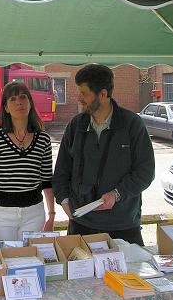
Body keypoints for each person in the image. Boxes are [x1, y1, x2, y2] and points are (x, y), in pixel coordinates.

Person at [52, 64, 154, 246]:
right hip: (81, 224)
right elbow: (61, 171)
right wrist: (64, 200)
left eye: (84, 93)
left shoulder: (132, 125)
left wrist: (117, 194)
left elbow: (145, 172)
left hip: (123, 225)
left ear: (103, 94)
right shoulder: (75, 126)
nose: (79, 98)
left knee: (126, 274)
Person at [0, 81, 55, 242]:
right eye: (12, 99)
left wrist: (52, 214)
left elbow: (47, 181)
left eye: (23, 97)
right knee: (7, 260)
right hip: (1, 215)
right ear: (6, 107)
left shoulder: (43, 139)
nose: (19, 102)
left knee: (31, 260)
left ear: (30, 103)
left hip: (34, 213)